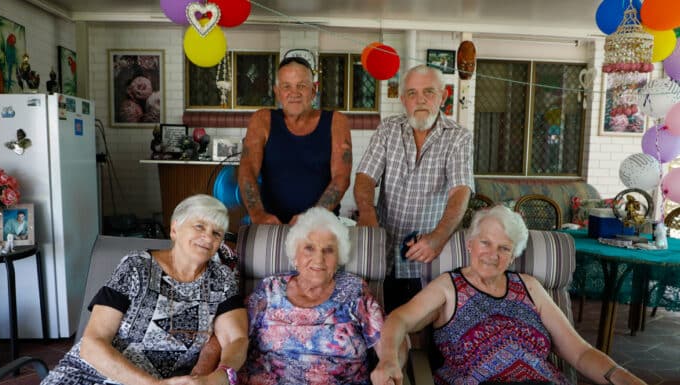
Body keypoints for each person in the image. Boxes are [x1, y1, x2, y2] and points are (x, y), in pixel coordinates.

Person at [371, 205, 648, 385]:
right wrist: (389, 360)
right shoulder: (449, 286)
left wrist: (619, 375)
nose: (493, 255)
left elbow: (579, 352)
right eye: (485, 243)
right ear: (470, 244)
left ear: (514, 254)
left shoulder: (530, 286)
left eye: (504, 248)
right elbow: (400, 319)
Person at [41, 194, 248, 385]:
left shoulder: (221, 279)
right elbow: (92, 344)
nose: (208, 237)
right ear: (175, 229)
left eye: (216, 233)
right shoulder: (137, 267)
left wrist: (218, 378)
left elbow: (236, 340)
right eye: (199, 226)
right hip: (88, 373)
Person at [354, 64, 473, 311]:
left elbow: (461, 190)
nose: (420, 100)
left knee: (423, 329)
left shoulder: (458, 137)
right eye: (412, 93)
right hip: (382, 251)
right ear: (403, 99)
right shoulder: (388, 128)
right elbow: (365, 176)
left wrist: (438, 238)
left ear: (443, 96)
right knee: (379, 320)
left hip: (427, 256)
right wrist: (366, 212)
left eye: (429, 92)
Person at [238, 207, 392, 384]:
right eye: (309, 248)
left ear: (339, 258)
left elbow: (388, 339)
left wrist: (388, 363)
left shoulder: (354, 289)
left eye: (328, 250)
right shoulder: (269, 288)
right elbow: (235, 335)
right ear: (295, 256)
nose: (319, 259)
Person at [238, 57, 352, 225]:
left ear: (313, 90)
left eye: (302, 86)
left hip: (321, 225)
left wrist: (313, 218)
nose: (294, 93)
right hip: (271, 224)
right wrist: (258, 214)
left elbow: (341, 177)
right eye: (286, 86)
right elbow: (247, 170)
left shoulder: (337, 121)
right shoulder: (262, 120)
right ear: (277, 92)